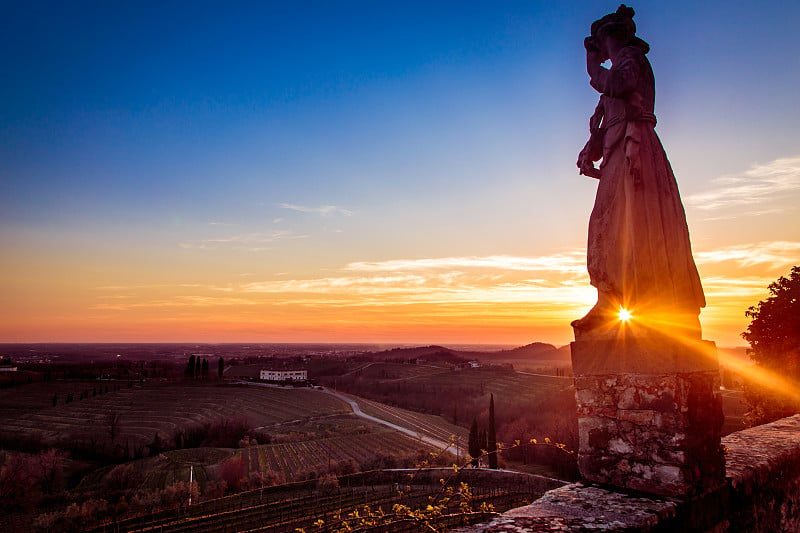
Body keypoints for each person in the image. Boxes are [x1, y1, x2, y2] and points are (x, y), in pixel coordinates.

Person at [573, 5, 705, 339]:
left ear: (608, 40)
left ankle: (650, 305)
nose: (598, 54)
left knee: (635, 224)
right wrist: (591, 149)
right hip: (620, 151)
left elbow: (619, 85)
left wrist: (592, 69)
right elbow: (609, 116)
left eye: (598, 47)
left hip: (637, 152)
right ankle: (609, 300)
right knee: (605, 224)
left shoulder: (630, 60)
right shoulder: (620, 67)